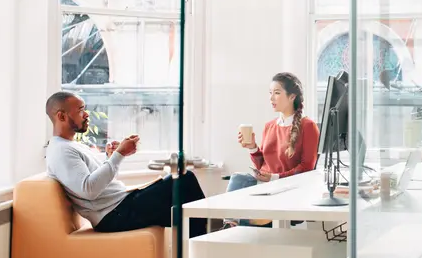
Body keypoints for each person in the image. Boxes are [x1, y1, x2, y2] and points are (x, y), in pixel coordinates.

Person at [45, 91, 207, 238]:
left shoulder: (71, 146)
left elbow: (100, 185)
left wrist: (110, 158)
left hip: (119, 206)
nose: (86, 114)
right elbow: (89, 191)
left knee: (184, 200)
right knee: (184, 181)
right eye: (80, 110)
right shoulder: (61, 151)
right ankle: (206, 245)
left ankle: (201, 248)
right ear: (61, 116)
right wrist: (119, 154)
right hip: (114, 215)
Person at [223, 73, 319, 227]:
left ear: (292, 96)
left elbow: (307, 168)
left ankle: (235, 222)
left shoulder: (308, 126)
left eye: (277, 93)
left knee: (240, 182)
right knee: (239, 178)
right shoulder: (270, 126)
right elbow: (263, 164)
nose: (271, 98)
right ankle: (233, 223)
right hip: (265, 186)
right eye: (270, 93)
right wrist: (252, 147)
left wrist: (274, 178)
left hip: (285, 190)